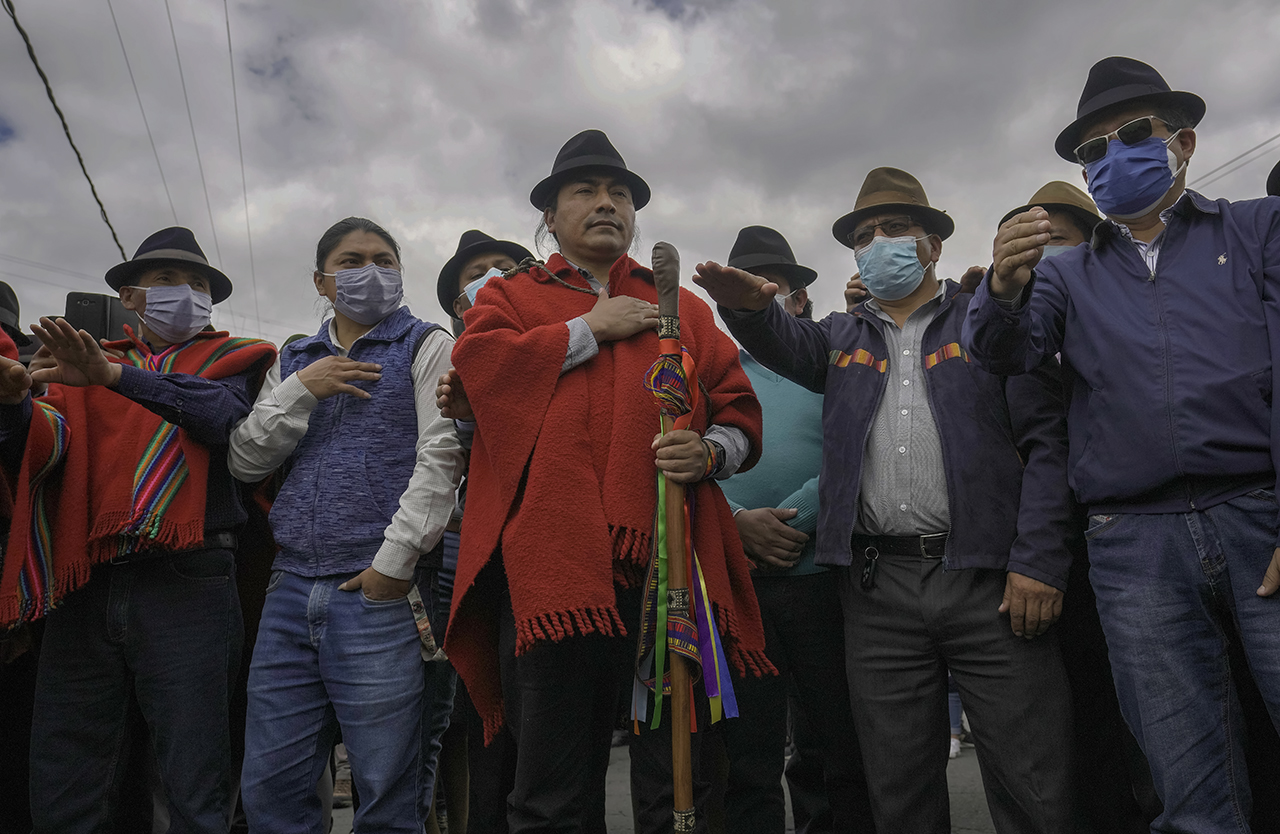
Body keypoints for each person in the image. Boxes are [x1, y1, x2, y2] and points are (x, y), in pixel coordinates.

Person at [694, 167, 1077, 833]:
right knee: (898, 795)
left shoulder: (985, 322)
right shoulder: (838, 338)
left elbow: (1049, 444)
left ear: (933, 245)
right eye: (863, 236)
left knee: (1035, 785)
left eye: (895, 228)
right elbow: (785, 340)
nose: (877, 244)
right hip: (877, 594)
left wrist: (1039, 562)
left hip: (988, 582)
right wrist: (748, 309)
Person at [963, 56, 1280, 832]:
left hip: (1260, 516)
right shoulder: (1065, 276)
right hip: (1133, 544)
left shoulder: (1255, 229)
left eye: (1135, 132)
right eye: (1093, 149)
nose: (1113, 154)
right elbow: (1004, 352)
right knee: (1189, 783)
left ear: (1185, 142)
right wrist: (1001, 288)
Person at [437, 128, 769, 833]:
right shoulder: (510, 297)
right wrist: (590, 327)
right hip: (552, 572)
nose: (607, 203)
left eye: (620, 192)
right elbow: (480, 370)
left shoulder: (683, 307)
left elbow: (737, 407)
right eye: (585, 191)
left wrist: (710, 453)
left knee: (680, 783)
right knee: (553, 789)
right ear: (549, 216)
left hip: (669, 564)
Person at [0, 227, 276, 834]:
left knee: (194, 779)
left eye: (199, 284)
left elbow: (221, 418)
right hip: (85, 582)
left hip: (191, 580)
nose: (187, 293)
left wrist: (114, 378)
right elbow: (44, 452)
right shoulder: (79, 358)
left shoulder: (240, 359)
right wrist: (12, 404)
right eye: (167, 280)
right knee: (67, 776)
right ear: (129, 297)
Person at [230, 216, 465, 833]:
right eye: (353, 261)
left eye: (385, 261)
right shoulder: (294, 358)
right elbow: (246, 459)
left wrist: (393, 566)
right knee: (272, 788)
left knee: (388, 790)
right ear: (321, 281)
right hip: (289, 591)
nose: (372, 272)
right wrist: (303, 389)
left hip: (379, 594)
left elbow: (442, 455)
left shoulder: (426, 343)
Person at [713, 225, 874, 833]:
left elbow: (859, 443)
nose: (759, 294)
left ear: (799, 299)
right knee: (745, 752)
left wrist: (798, 517)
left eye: (772, 285)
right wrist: (736, 524)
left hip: (822, 580)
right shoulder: (707, 371)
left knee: (834, 745)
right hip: (737, 585)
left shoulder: (831, 360)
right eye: (745, 287)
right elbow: (680, 459)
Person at [434, 228, 534, 834]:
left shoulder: (565, 340)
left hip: (544, 552)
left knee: (541, 724)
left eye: (507, 265)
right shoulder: (446, 362)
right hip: (473, 557)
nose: (495, 278)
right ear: (458, 303)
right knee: (479, 717)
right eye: (478, 273)